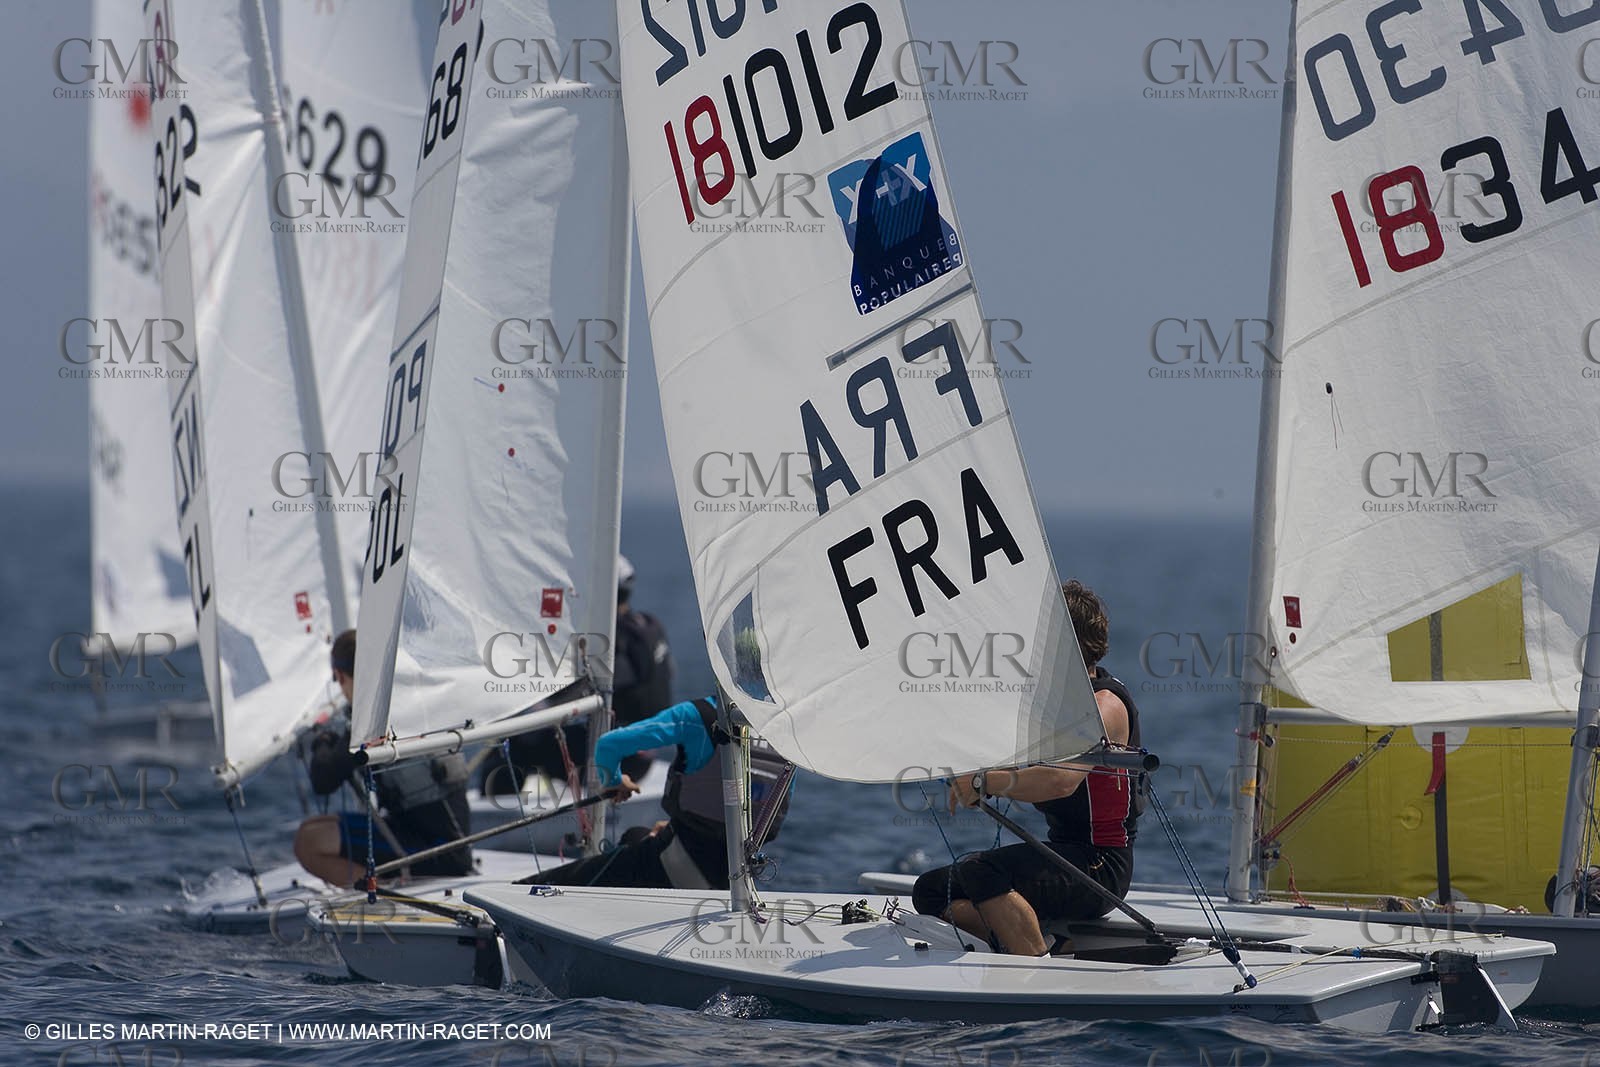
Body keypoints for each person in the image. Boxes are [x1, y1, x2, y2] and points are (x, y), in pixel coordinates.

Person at [910, 580, 1143, 956]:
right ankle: (1047, 943)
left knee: (982, 871)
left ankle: (1034, 965)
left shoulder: (1104, 706)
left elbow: (1059, 781)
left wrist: (985, 782)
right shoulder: (1057, 706)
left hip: (1100, 867)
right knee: (931, 891)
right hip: (1064, 854)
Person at [516, 694, 789, 890]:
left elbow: (609, 745)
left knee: (539, 888)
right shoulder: (784, 733)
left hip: (678, 868)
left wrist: (613, 781)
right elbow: (736, 804)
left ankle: (516, 895)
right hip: (736, 885)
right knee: (636, 835)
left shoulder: (698, 715)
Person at [292, 630, 474, 886]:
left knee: (308, 842)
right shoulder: (403, 704)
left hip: (440, 852)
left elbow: (323, 779)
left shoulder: (373, 722)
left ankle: (379, 898)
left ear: (341, 676)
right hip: (434, 839)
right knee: (313, 826)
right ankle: (376, 888)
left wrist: (322, 742)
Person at [489, 553, 675, 795]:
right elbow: (667, 673)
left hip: (618, 760)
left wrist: (536, 708)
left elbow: (592, 686)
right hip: (644, 753)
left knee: (518, 744)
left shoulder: (613, 639)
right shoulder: (649, 626)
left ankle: (499, 813)